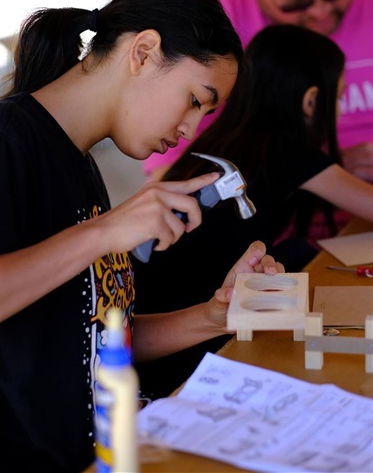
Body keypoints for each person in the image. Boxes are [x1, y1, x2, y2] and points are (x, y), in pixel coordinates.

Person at [0, 0, 285, 473]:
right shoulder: (9, 140)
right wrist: (106, 232)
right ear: (144, 52)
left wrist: (216, 316)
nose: (190, 129)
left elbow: (93, 338)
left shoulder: (79, 162)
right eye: (196, 101)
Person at [133, 23, 373, 400]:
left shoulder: (226, 139)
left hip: (142, 331)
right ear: (311, 101)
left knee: (296, 252)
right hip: (181, 347)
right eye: (337, 98)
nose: (339, 111)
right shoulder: (287, 150)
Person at [143, 0, 373, 183]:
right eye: (295, 2)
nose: (321, 12)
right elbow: (168, 178)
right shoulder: (207, 28)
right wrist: (319, 170)